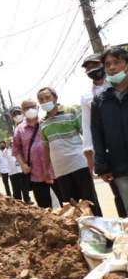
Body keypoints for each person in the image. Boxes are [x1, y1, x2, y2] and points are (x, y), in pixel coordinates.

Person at [37, 87, 102, 216]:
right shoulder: (43, 123)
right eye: (41, 100)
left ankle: (100, 232)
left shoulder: (71, 111)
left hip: (80, 165)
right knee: (71, 207)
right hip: (60, 171)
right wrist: (46, 170)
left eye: (47, 97)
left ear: (55, 98)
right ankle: (81, 233)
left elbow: (87, 134)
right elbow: (46, 148)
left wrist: (93, 159)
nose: (45, 101)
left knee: (90, 202)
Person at [82, 53, 126, 217]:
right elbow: (90, 130)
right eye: (88, 68)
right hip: (112, 153)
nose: (93, 70)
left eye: (95, 65)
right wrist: (95, 161)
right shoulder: (91, 98)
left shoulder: (120, 85)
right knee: (120, 194)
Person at [92, 47, 128, 210]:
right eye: (107, 64)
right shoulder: (100, 101)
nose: (112, 67)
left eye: (117, 62)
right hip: (119, 167)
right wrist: (101, 165)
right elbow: (97, 135)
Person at [13, 99, 56, 208]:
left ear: (37, 107)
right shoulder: (19, 129)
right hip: (36, 175)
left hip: (56, 171)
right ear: (22, 111)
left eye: (31, 106)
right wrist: (22, 164)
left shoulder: (47, 121)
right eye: (26, 108)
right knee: (45, 208)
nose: (29, 109)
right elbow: (16, 150)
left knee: (66, 203)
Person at [8, 109, 33, 203]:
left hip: (35, 157)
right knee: (28, 184)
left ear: (23, 113)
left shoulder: (30, 123)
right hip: (24, 162)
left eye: (19, 113)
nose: (17, 116)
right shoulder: (16, 130)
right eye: (14, 115)